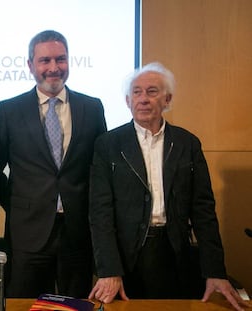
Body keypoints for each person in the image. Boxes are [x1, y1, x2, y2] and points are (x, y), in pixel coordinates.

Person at [88, 62, 250, 310]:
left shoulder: (187, 143)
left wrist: (215, 271)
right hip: (125, 258)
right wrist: (109, 269)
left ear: (167, 99)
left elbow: (203, 211)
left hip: (174, 254)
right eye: (137, 92)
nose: (143, 99)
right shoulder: (108, 144)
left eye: (152, 91)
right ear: (127, 100)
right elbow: (100, 213)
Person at [0, 30, 107, 298]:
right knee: (25, 304)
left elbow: (101, 170)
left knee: (76, 304)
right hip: (27, 232)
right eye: (45, 60)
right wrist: (16, 202)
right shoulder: (9, 109)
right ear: (30, 65)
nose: (54, 68)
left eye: (61, 59)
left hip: (78, 232)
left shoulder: (92, 108)